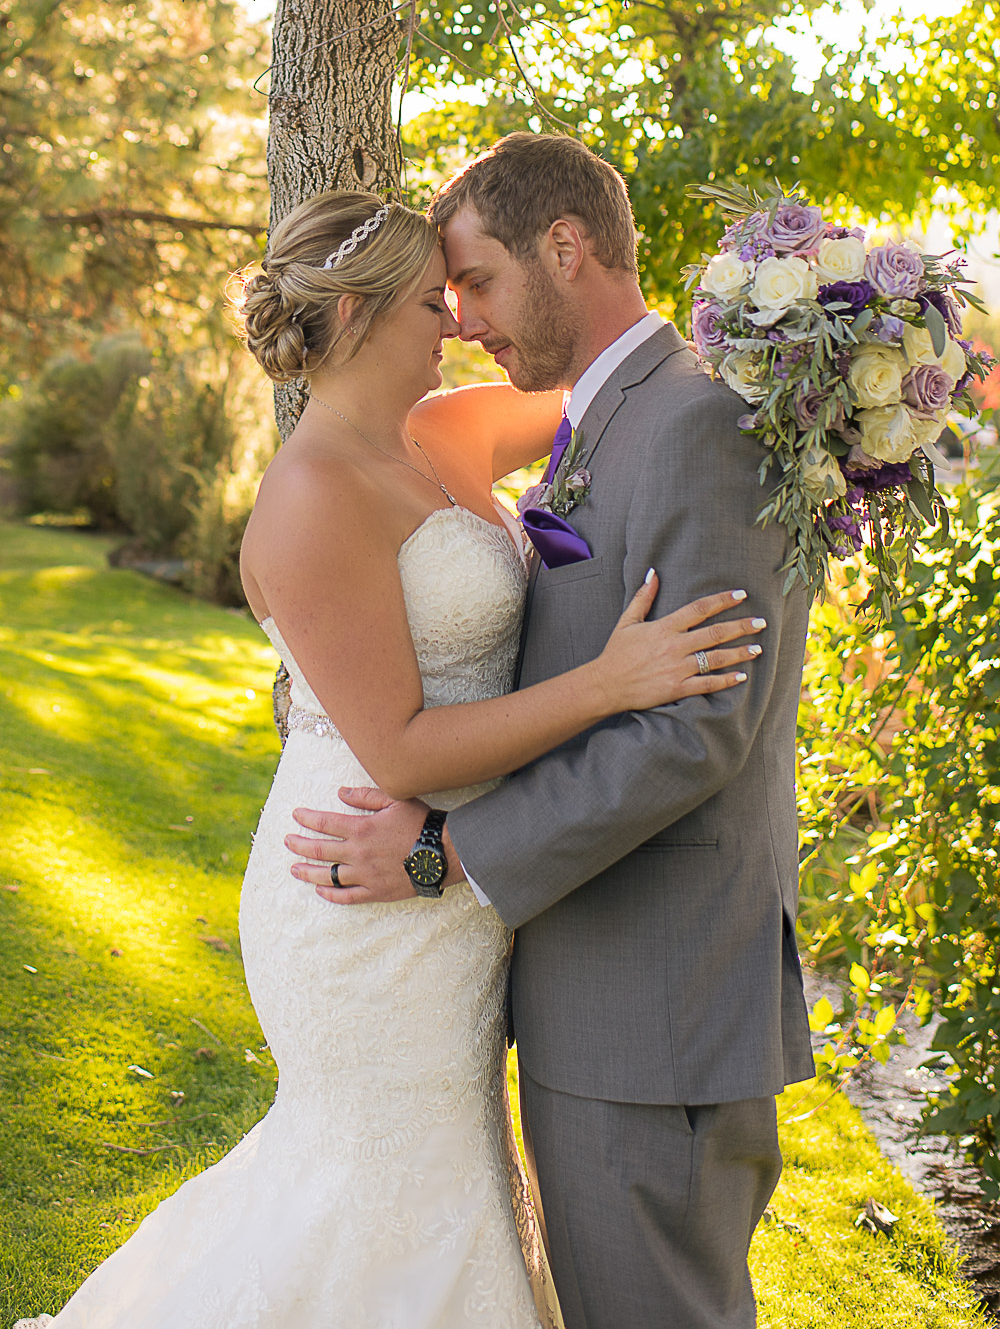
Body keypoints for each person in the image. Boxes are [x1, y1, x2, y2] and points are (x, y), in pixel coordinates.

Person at [14, 187, 764, 1329]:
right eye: (433, 301)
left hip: (461, 893)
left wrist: (799, 343)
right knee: (381, 1179)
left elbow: (621, 394)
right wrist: (609, 684)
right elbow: (400, 746)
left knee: (448, 1171)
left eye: (463, 297)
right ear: (358, 318)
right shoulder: (308, 496)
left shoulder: (448, 428)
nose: (458, 322)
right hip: (367, 877)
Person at [286, 134, 816, 1329]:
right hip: (596, 995)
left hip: (656, 1008)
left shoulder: (692, 427)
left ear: (564, 249)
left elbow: (691, 735)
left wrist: (448, 854)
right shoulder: (604, 412)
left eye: (472, 280)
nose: (460, 313)